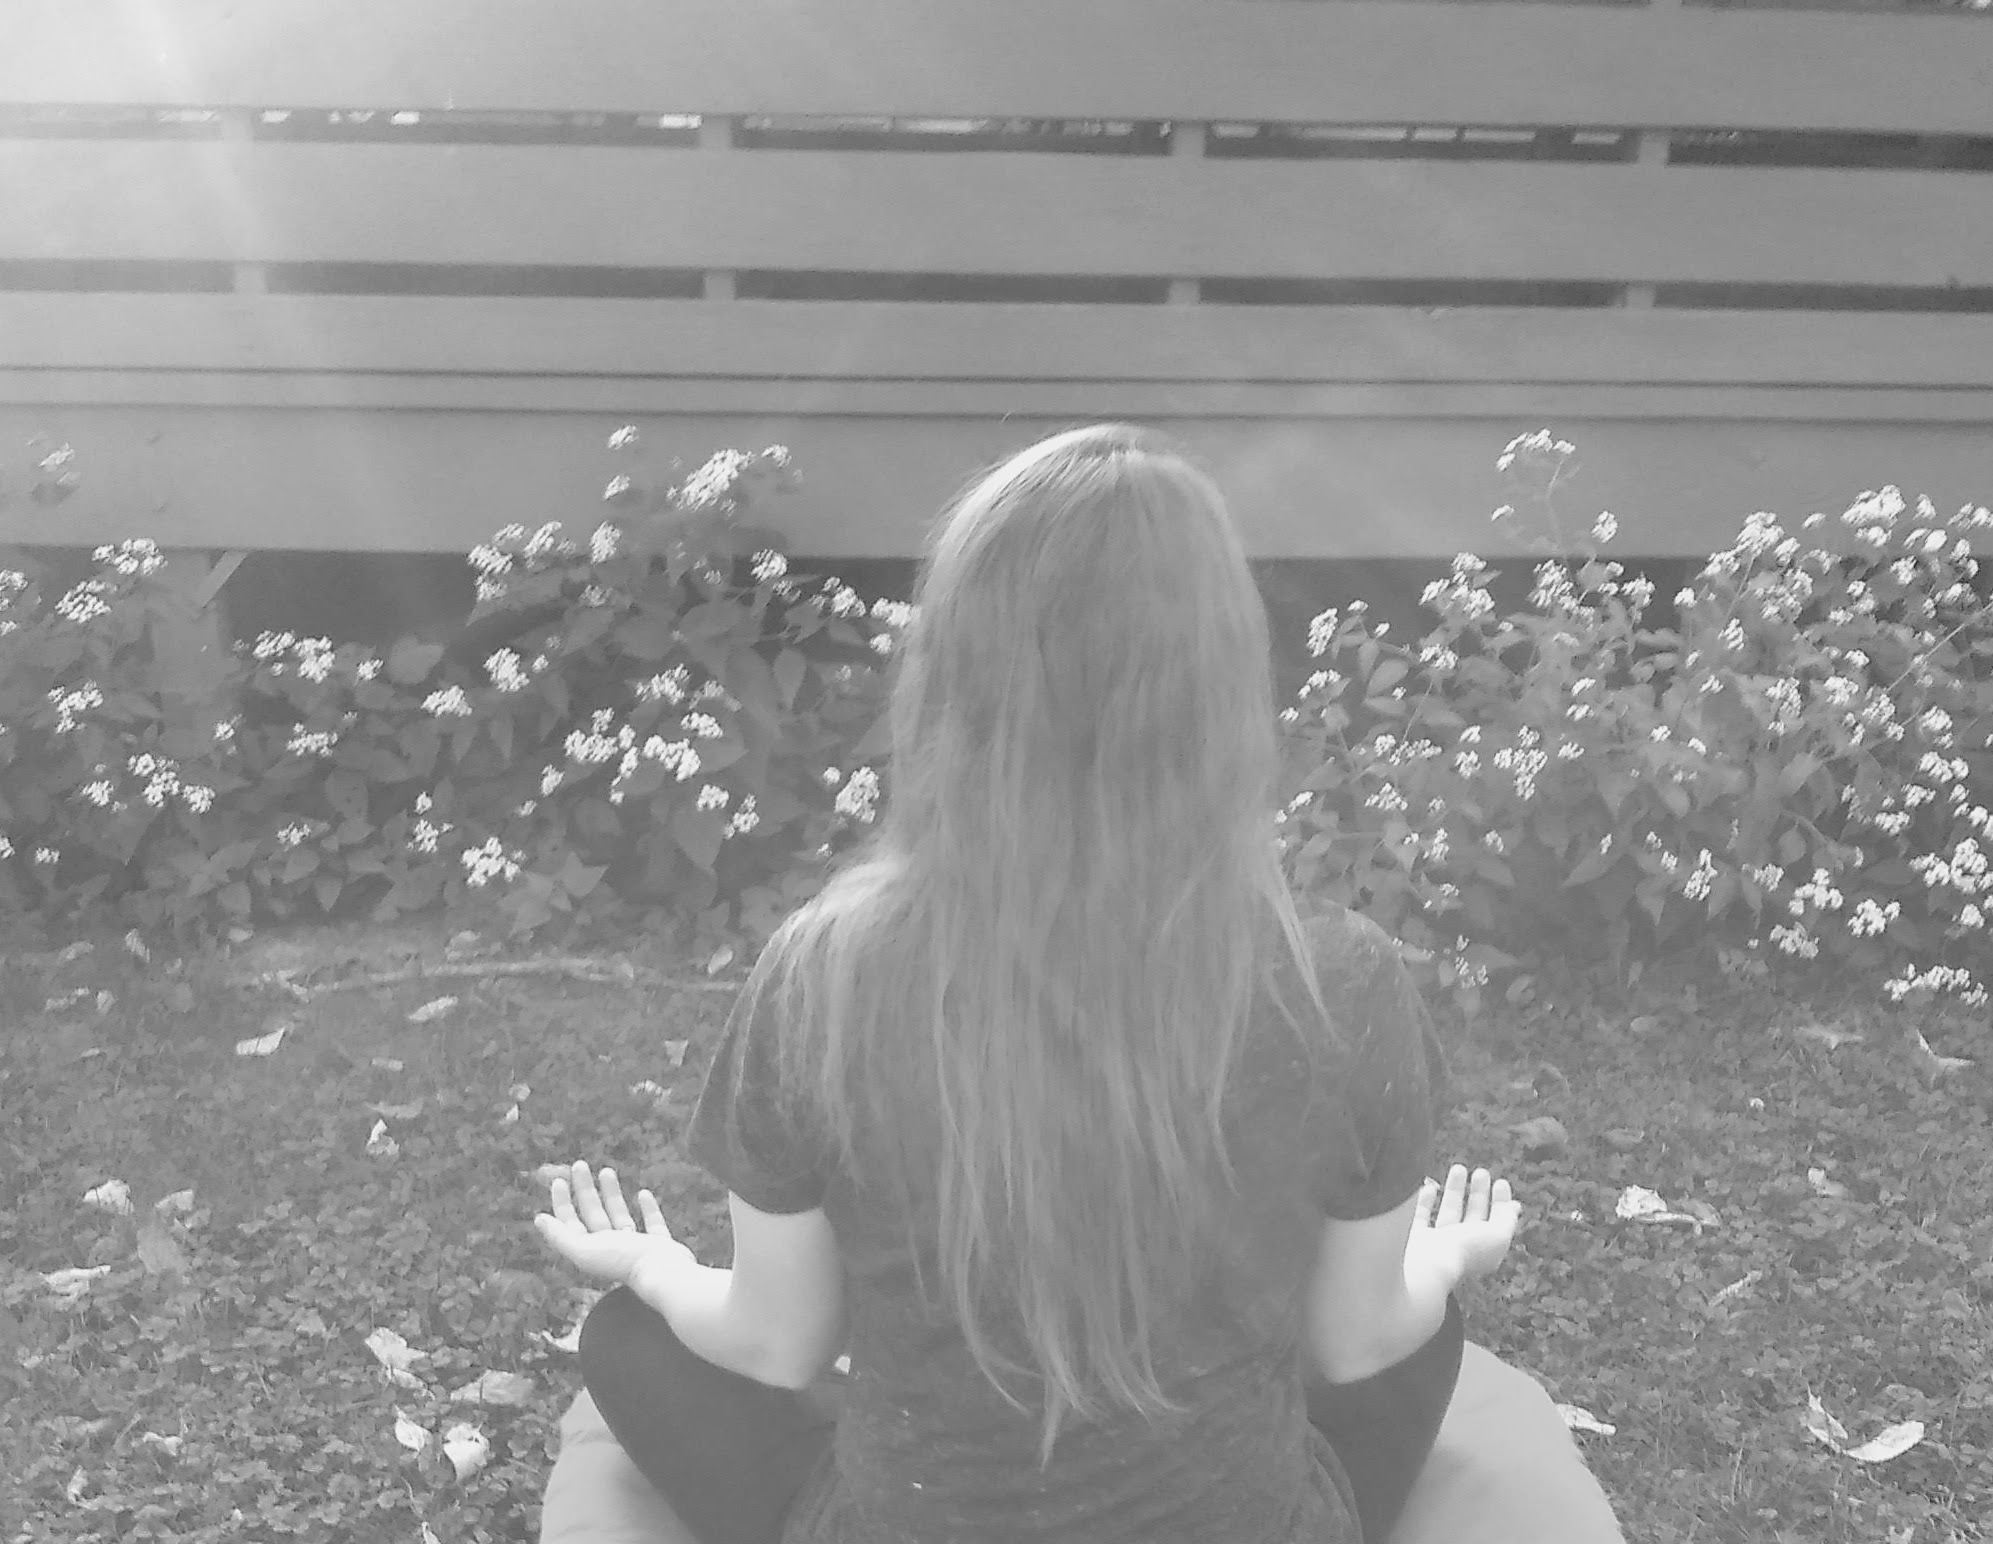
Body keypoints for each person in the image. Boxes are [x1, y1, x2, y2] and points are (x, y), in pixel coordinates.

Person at [530, 424, 1627, 1544]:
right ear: (1220, 689)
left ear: (954, 682)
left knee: (627, 1341)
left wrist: (654, 1269)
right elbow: (1350, 1344)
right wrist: (1448, 1259)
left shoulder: (823, 975)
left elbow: (778, 1341)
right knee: (1426, 1330)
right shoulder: (1336, 981)